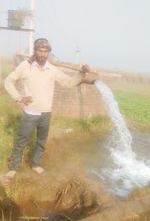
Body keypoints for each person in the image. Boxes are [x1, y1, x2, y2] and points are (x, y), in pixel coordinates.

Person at [4, 38, 95, 180]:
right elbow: (8, 81)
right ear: (35, 51)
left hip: (46, 114)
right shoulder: (25, 66)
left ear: (48, 53)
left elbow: (69, 83)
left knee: (41, 142)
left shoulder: (52, 70)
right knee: (21, 141)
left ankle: (36, 165)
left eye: (46, 51)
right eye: (40, 50)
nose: (43, 54)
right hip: (30, 113)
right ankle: (13, 168)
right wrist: (18, 97)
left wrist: (81, 74)